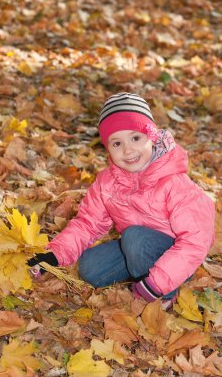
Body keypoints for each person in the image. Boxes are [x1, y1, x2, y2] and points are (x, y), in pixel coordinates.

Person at [28, 92, 215, 308]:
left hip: (176, 257)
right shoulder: (107, 183)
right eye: (117, 143)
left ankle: (163, 293)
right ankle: (142, 277)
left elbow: (195, 241)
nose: (128, 150)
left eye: (135, 138)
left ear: (151, 137)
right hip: (134, 247)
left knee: (134, 238)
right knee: (90, 269)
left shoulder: (175, 183)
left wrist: (157, 283)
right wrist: (53, 256)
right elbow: (88, 224)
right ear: (108, 148)